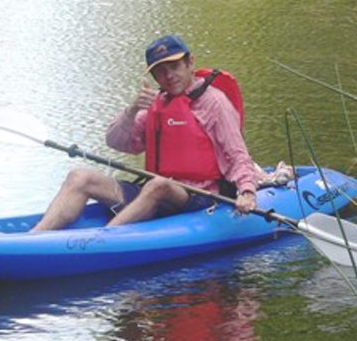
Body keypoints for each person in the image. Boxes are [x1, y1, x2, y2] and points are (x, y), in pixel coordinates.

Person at [32, 34, 263, 231]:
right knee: (79, 176)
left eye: (174, 67)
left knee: (158, 185)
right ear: (154, 78)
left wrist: (247, 192)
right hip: (153, 192)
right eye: (161, 72)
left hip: (198, 197)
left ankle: (101, 240)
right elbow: (116, 142)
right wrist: (131, 111)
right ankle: (34, 238)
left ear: (190, 63)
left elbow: (237, 155)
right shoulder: (156, 104)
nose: (169, 76)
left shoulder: (214, 103)